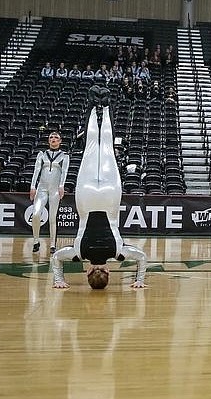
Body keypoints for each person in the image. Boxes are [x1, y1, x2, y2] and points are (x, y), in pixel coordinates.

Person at [51, 87, 147, 289]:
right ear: (87, 272)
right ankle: (95, 105)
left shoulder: (117, 252)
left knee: (107, 148)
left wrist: (139, 281)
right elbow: (57, 258)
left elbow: (141, 257)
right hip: (86, 198)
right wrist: (59, 280)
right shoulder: (79, 252)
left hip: (110, 197)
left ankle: (105, 104)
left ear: (108, 272)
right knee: (91, 148)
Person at [29, 131, 70, 254]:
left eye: (56, 137)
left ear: (60, 141)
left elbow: (65, 172)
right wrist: (32, 186)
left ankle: (52, 244)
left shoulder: (64, 156)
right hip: (42, 188)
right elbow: (36, 171)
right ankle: (36, 240)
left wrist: (61, 186)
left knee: (53, 217)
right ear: (48, 141)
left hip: (55, 189)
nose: (53, 139)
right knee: (36, 214)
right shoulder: (42, 154)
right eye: (51, 137)